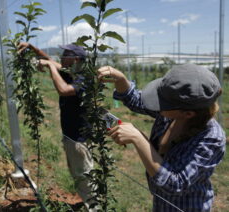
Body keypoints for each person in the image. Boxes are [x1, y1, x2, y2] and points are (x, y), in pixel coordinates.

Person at [97, 63, 226, 212]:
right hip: (161, 204)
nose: (157, 104)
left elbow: (175, 183)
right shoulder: (171, 114)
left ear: (188, 114)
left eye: (161, 103)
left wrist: (138, 139)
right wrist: (121, 80)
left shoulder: (211, 138)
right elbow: (137, 100)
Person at [18, 42, 96, 211]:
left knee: (85, 177)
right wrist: (32, 47)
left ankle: (94, 208)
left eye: (65, 54)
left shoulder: (84, 77)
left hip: (79, 139)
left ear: (75, 59)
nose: (61, 57)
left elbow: (64, 89)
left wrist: (50, 67)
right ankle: (89, 205)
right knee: (79, 175)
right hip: (71, 135)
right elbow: (48, 60)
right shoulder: (71, 71)